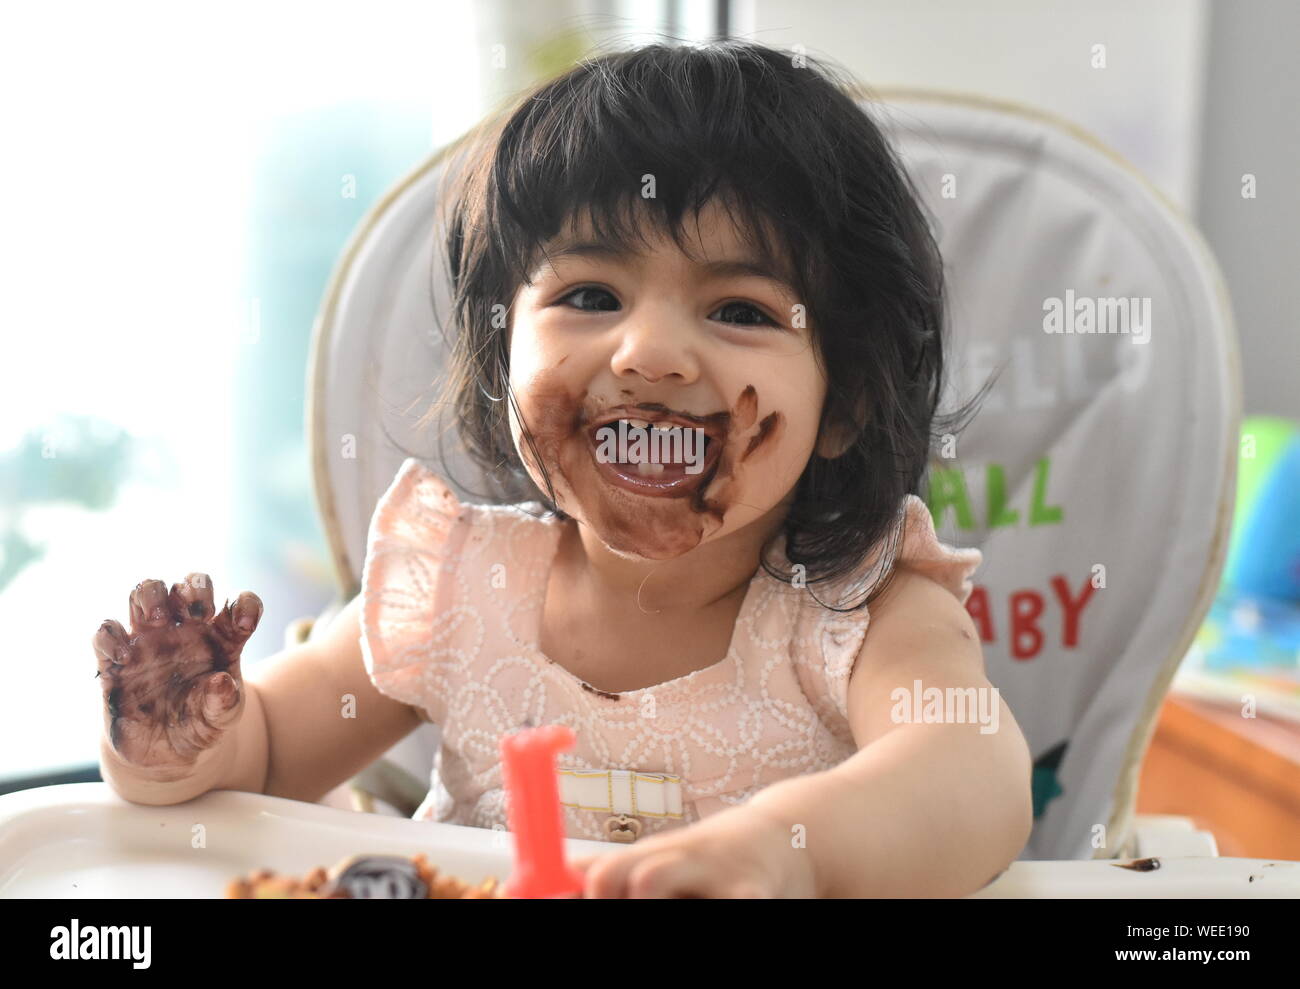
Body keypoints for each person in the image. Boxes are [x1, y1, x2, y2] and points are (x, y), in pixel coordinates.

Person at [94, 40, 1032, 898]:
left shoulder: (861, 616)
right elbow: (260, 765)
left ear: (848, 406)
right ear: (503, 360)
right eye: (591, 295)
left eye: (741, 310)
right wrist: (174, 733)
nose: (650, 353)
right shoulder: (454, 586)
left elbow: (969, 772)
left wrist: (789, 849)